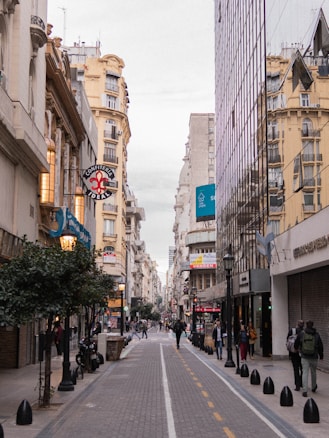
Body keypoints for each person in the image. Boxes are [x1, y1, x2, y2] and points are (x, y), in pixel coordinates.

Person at [294, 320, 324, 397]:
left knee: (305, 372)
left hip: (304, 356)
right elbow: (320, 345)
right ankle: (313, 387)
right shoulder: (316, 334)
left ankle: (305, 390)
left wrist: (296, 348)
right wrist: (321, 355)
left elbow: (296, 343)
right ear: (313, 325)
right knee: (313, 372)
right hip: (314, 356)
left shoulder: (302, 333)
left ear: (306, 325)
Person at [286, 320, 304, 391]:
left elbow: (287, 341)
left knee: (296, 369)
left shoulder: (292, 331)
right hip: (302, 354)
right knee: (303, 369)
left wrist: (290, 352)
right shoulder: (304, 332)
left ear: (297, 324)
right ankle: (302, 382)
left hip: (294, 353)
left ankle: (297, 385)